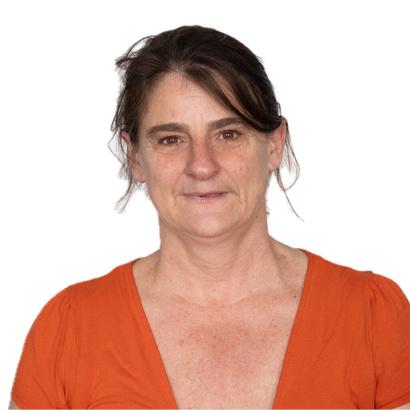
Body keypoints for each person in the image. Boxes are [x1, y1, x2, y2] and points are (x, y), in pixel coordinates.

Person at [9, 25, 410, 409]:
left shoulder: (372, 316)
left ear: (274, 145)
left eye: (228, 134)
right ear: (135, 158)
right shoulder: (69, 329)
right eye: (171, 139)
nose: (202, 165)